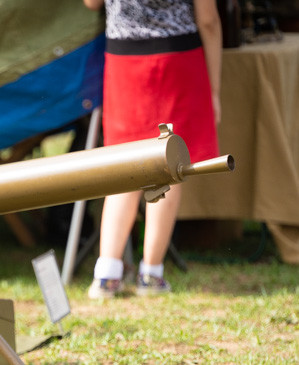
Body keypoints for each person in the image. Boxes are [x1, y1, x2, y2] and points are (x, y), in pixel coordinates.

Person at [82, 0, 223, 298]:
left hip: (123, 58)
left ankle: (107, 274)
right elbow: (208, 20)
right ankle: (151, 274)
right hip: (178, 57)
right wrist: (215, 90)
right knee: (169, 167)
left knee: (123, 166)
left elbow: (91, 3)